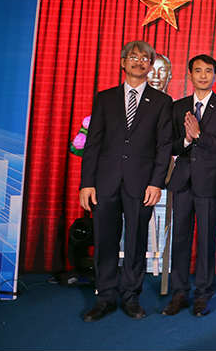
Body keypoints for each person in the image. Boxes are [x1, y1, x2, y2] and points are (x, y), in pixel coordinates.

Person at [79, 40, 173, 321]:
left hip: (142, 184)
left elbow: (164, 146)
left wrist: (156, 183)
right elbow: (93, 144)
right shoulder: (105, 98)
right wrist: (87, 183)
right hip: (105, 182)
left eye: (144, 59)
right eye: (133, 57)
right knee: (105, 240)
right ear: (123, 62)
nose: (138, 62)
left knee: (135, 241)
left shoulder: (161, 102)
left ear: (150, 65)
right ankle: (105, 297)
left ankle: (131, 296)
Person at [163, 54, 216, 318]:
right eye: (197, 70)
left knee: (206, 241)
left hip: (211, 184)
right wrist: (185, 140)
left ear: (215, 75)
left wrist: (199, 135)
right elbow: (169, 144)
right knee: (180, 239)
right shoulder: (178, 107)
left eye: (208, 71)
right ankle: (179, 293)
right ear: (189, 75)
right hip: (182, 183)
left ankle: (203, 294)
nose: (203, 75)